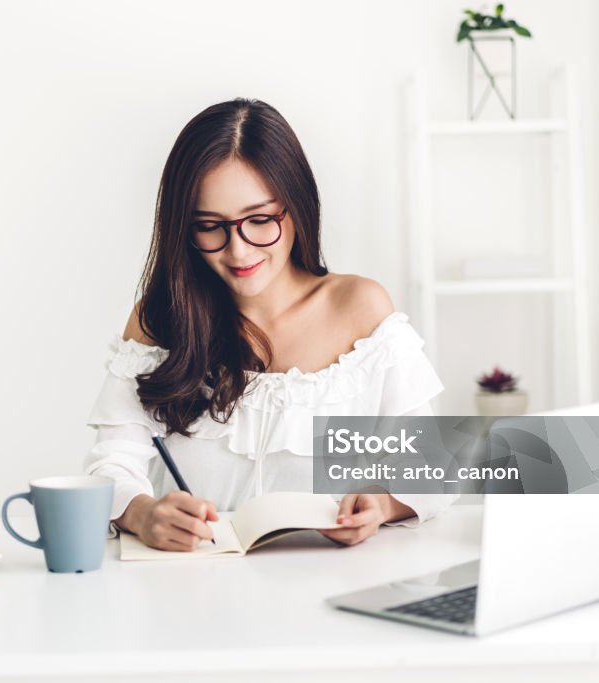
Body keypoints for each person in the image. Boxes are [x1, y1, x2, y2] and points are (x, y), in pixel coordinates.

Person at [84, 98, 456, 551]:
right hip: (193, 588)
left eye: (259, 220)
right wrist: (143, 514)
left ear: (296, 207)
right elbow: (111, 464)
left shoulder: (359, 308)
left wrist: (381, 504)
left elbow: (432, 465)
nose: (238, 251)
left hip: (331, 585)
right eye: (209, 226)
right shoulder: (158, 321)